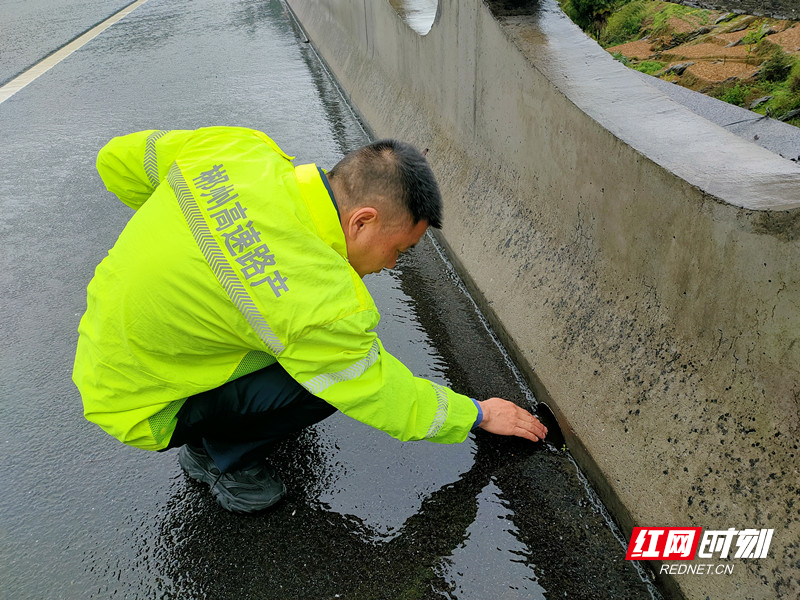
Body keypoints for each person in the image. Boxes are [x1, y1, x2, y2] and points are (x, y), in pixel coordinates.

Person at [73, 126, 547, 513]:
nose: (391, 266)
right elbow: (380, 393)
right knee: (328, 381)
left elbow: (115, 160)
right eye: (399, 250)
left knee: (289, 343)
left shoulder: (238, 149)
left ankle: (217, 428)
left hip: (103, 342)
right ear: (362, 221)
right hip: (143, 406)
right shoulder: (321, 301)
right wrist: (479, 414)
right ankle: (220, 460)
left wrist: (181, 243)